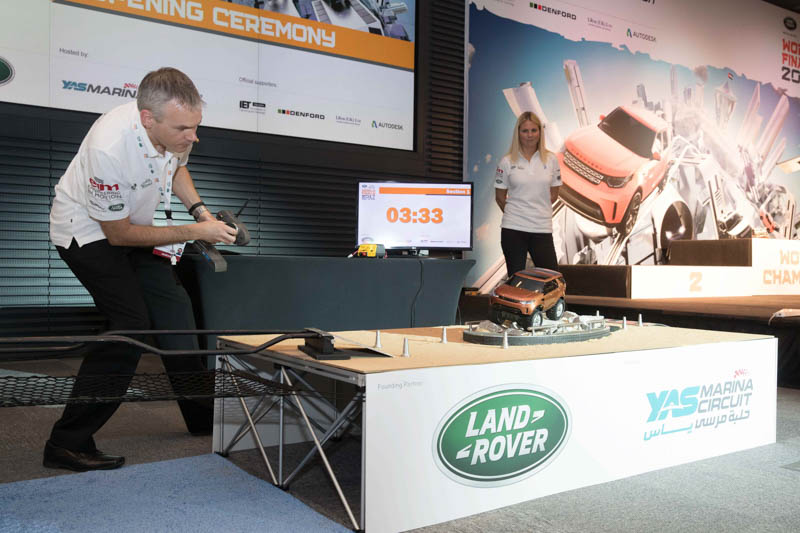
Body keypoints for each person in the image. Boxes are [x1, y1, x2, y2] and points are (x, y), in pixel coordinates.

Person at [44, 67, 238, 472]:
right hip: (88, 233)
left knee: (177, 316)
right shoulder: (109, 148)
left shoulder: (171, 129)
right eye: (183, 128)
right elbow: (118, 236)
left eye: (196, 126)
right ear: (148, 118)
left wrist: (199, 211)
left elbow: (177, 167)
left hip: (134, 226)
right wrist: (196, 231)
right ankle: (66, 443)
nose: (193, 137)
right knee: (130, 325)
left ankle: (203, 417)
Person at [494, 111, 561, 278]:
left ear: (540, 132)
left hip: (542, 228)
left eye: (533, 130)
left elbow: (554, 195)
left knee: (552, 280)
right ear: (518, 133)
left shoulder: (551, 160)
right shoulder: (507, 161)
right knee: (516, 281)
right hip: (513, 229)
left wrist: (536, 212)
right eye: (525, 131)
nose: (530, 135)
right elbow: (500, 197)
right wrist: (518, 214)